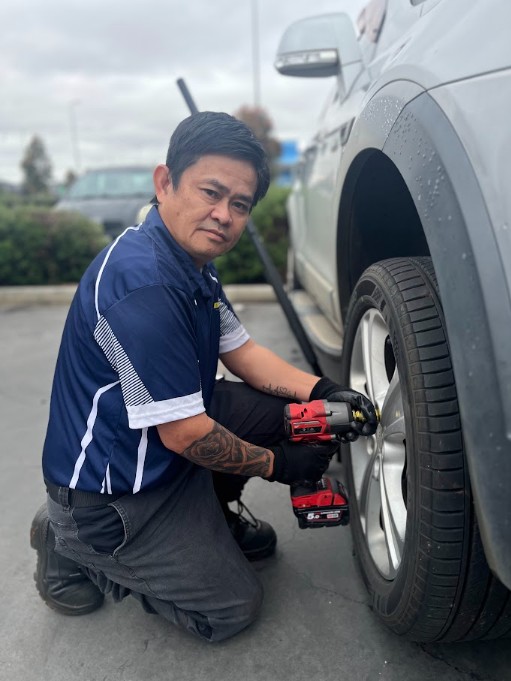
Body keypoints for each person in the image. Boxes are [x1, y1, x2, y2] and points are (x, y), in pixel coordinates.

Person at [30, 111, 377, 642]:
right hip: (113, 499)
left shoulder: (190, 264)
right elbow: (185, 433)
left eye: (239, 205)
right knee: (232, 608)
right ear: (165, 182)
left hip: (158, 452)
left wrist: (325, 392)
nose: (223, 215)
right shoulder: (140, 283)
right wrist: (279, 464)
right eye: (211, 192)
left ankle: (205, 513)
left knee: (281, 414)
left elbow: (244, 352)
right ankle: (67, 540)